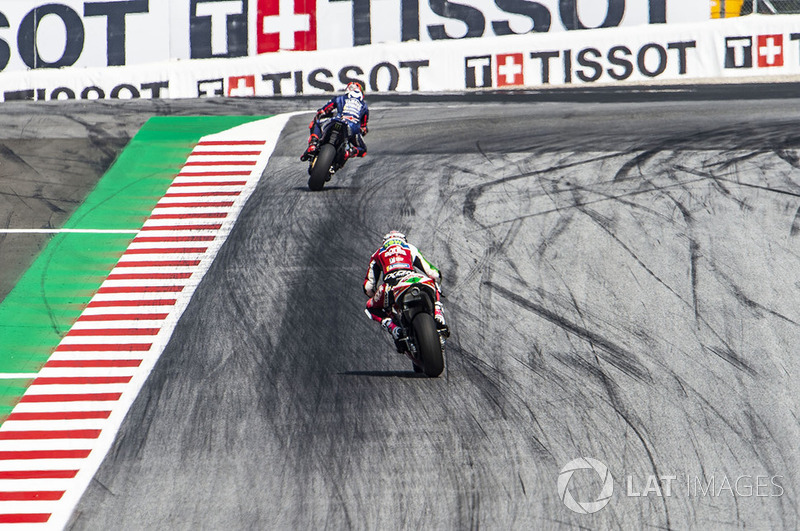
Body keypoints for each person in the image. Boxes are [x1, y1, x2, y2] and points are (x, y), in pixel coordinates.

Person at [363, 231, 449, 348]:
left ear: (384, 243)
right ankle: (438, 313)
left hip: (390, 287)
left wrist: (376, 297)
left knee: (370, 307)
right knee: (433, 282)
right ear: (403, 239)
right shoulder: (409, 248)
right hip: (413, 279)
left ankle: (393, 328)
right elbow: (433, 272)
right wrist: (438, 279)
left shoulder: (377, 253)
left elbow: (368, 287)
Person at [300, 81, 369, 162]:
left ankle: (313, 144)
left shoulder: (340, 98)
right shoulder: (364, 106)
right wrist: (362, 130)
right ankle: (350, 152)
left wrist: (321, 113)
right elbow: (363, 127)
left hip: (337, 120)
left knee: (317, 122)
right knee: (363, 150)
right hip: (352, 128)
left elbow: (325, 110)